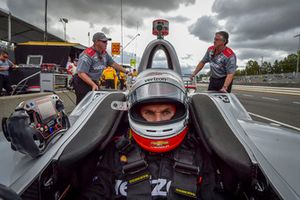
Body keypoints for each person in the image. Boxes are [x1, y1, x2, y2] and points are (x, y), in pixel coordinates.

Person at [78, 70, 226, 200]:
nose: (158, 120)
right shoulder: (117, 150)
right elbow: (97, 191)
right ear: (136, 114)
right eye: (149, 113)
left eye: (166, 112)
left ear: (180, 112)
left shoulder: (197, 151)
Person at [73, 32, 129, 104]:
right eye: (104, 41)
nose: (107, 43)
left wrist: (126, 71)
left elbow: (113, 64)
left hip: (93, 82)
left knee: (93, 104)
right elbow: (81, 73)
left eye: (107, 41)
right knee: (83, 105)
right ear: (96, 42)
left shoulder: (104, 53)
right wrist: (93, 84)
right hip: (82, 82)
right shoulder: (87, 55)